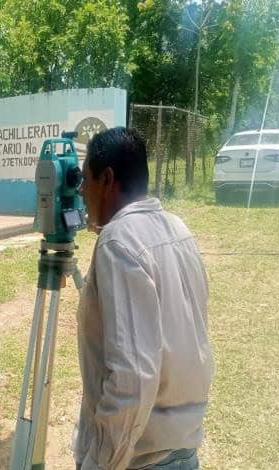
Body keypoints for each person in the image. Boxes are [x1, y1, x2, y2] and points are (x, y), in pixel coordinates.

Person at [72, 127, 214, 470]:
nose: (81, 190)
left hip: (141, 458)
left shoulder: (118, 241)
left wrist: (100, 463)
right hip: (183, 448)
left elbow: (132, 380)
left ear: (108, 180)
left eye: (86, 180)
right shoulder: (177, 228)